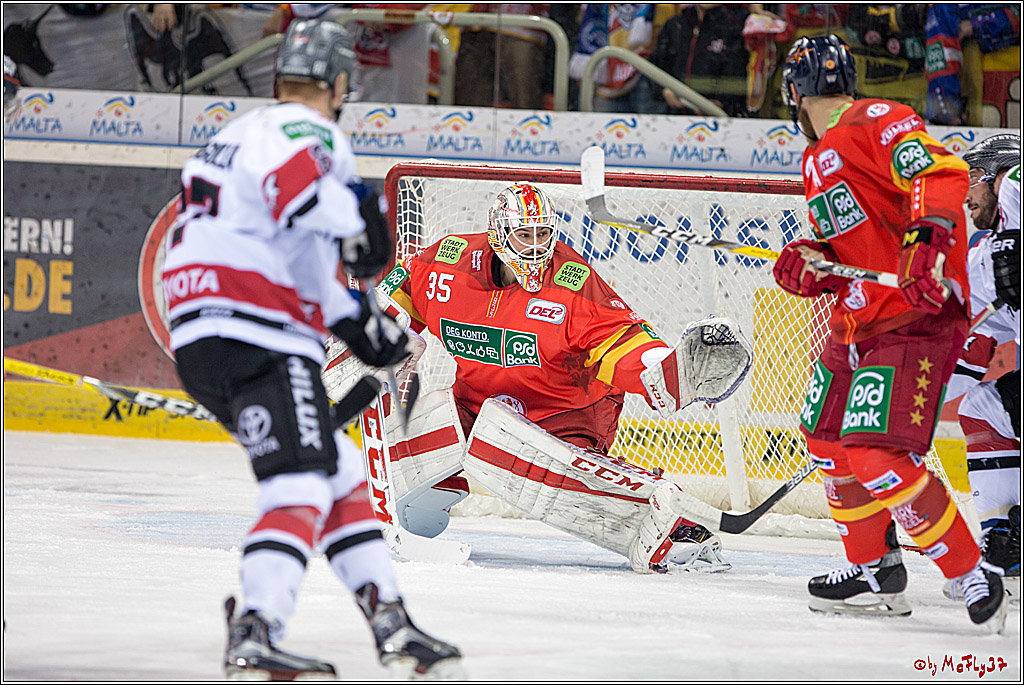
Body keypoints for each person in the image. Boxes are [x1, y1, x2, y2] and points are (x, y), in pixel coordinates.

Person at [160, 19, 462, 679]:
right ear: (341, 83)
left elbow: (299, 258)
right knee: (299, 479)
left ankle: (392, 622)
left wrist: (362, 326)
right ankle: (257, 627)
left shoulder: (233, 134)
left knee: (339, 471)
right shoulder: (310, 130)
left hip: (201, 336)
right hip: (255, 331)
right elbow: (300, 196)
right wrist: (356, 227)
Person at [324, 182, 755, 574]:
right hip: (473, 406)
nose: (535, 247)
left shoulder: (573, 284)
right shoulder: (448, 262)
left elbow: (622, 342)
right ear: (496, 236)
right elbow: (400, 295)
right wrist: (363, 335)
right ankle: (379, 513)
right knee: (435, 424)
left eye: (543, 234)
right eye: (523, 235)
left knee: (499, 442)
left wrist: (670, 371)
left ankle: (668, 526)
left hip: (568, 416)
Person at [773, 34, 1006, 632]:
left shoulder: (876, 118)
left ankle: (970, 570)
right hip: (856, 322)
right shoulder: (814, 158)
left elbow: (943, 174)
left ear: (794, 91)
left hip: (912, 318)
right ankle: (874, 569)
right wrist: (810, 258)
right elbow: (848, 247)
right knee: (825, 438)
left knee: (876, 451)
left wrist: (928, 242)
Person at [943, 133, 1021, 600]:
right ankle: (1004, 537)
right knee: (980, 403)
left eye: (974, 178)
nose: (967, 192)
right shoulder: (981, 253)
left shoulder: (1015, 186)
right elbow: (968, 325)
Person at [647, 3, 753, 117]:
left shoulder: (735, 27)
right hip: (675, 117)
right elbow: (657, 63)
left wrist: (721, 102)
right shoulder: (675, 25)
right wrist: (664, 90)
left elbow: (740, 74)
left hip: (720, 119)